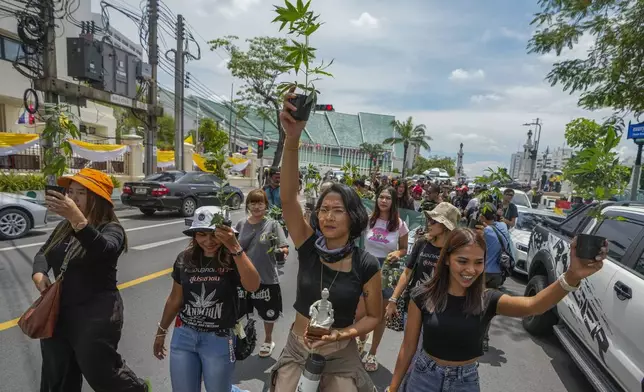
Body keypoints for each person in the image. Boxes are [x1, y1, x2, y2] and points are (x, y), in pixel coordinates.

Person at [388, 228, 607, 392]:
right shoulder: (421, 295)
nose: (470, 270)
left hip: (464, 381)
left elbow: (534, 305)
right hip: (424, 377)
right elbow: (408, 349)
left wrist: (572, 276)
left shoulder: (487, 299)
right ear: (446, 260)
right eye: (462, 261)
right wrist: (393, 387)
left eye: (478, 262)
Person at [271, 89, 382, 391]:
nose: (328, 217)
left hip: (341, 356)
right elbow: (288, 199)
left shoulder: (366, 264)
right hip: (297, 350)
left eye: (337, 211)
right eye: (323, 210)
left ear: (354, 216)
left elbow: (373, 317)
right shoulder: (307, 246)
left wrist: (341, 335)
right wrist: (292, 139)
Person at [33, 168, 150, 392]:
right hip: (58, 313)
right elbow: (43, 254)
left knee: (102, 374)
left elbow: (103, 250)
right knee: (57, 374)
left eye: (81, 193)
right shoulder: (63, 226)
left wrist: (77, 219)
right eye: (71, 192)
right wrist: (39, 275)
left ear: (96, 199)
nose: (72, 198)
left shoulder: (112, 229)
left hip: (96, 315)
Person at [153, 206, 260, 392]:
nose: (208, 241)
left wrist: (234, 246)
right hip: (184, 337)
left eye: (214, 235)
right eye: (201, 234)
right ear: (194, 235)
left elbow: (253, 286)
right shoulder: (184, 259)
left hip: (218, 339)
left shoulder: (234, 258)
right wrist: (161, 332)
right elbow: (175, 299)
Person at [356, 186, 409, 371]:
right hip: (366, 268)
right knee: (359, 313)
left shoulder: (400, 224)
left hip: (388, 272)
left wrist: (397, 253)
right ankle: (361, 340)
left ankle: (373, 353)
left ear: (393, 202)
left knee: (379, 316)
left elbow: (405, 249)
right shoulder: (369, 220)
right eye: (381, 197)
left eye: (387, 198)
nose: (383, 200)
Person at [385, 203, 460, 326]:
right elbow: (407, 272)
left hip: (439, 309)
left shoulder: (454, 249)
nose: (429, 223)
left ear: (446, 226)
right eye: (429, 220)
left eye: (434, 221)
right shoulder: (422, 243)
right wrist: (393, 299)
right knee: (409, 344)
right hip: (414, 303)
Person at [235, 189, 289, 358]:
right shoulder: (241, 225)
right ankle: (242, 339)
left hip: (266, 278)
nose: (256, 206)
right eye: (253, 202)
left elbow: (284, 246)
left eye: (260, 203)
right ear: (248, 205)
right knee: (241, 312)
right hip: (242, 278)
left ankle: (268, 340)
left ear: (266, 205)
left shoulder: (273, 224)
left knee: (268, 313)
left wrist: (282, 252)